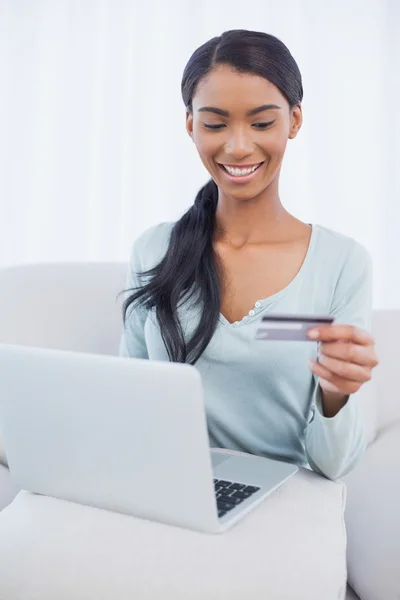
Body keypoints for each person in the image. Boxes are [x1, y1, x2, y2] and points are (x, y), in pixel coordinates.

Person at [119, 29, 378, 480]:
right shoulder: (155, 249)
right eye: (215, 124)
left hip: (285, 499)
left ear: (294, 121)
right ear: (190, 125)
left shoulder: (342, 263)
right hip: (168, 486)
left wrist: (335, 395)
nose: (238, 146)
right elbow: (125, 400)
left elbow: (333, 466)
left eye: (262, 123)